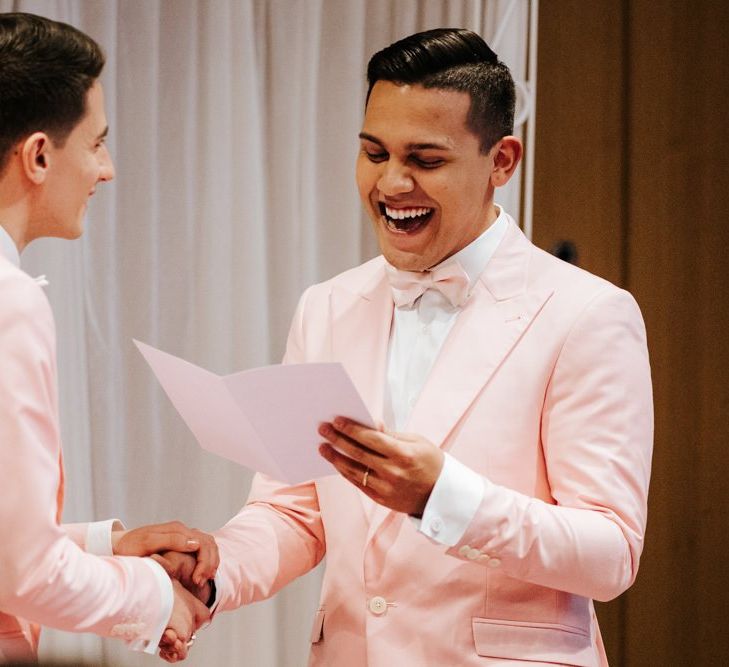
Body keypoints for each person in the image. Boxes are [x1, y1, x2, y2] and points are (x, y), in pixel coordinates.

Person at [163, 28, 653, 665]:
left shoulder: (587, 314)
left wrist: (444, 498)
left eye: (425, 160)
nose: (391, 184)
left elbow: (610, 553)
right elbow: (293, 510)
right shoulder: (327, 306)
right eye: (373, 153)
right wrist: (214, 571)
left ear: (502, 161)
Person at [0, 12, 217, 663]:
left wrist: (104, 545)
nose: (108, 169)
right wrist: (156, 598)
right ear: (40, 154)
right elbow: (24, 573)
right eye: (97, 143)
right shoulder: (8, 303)